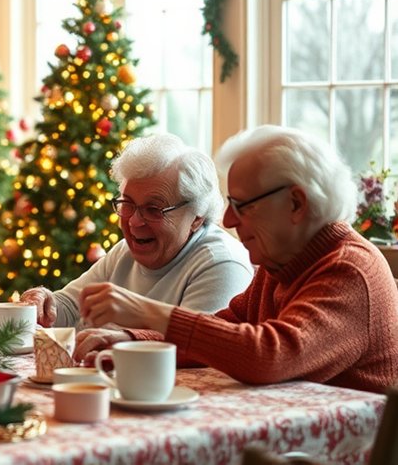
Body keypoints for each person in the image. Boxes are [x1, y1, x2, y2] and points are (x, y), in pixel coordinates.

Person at [76, 125, 398, 393]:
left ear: (296, 204)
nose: (228, 220)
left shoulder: (350, 270)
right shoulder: (281, 261)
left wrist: (147, 312)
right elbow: (223, 331)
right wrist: (132, 339)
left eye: (242, 206)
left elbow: (270, 356)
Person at [19, 133, 253, 339]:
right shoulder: (124, 252)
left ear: (197, 217)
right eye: (127, 204)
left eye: (154, 209)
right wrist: (45, 303)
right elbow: (70, 307)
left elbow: (198, 344)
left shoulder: (221, 263)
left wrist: (126, 337)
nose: (134, 222)